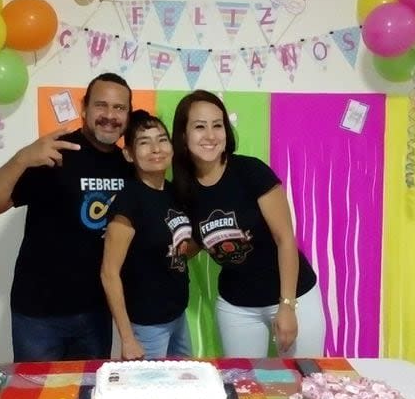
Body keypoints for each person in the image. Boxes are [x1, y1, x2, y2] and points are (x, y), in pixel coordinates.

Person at [0, 72, 132, 361]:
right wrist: (21, 158)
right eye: (101, 105)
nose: (110, 115)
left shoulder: (129, 166)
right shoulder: (54, 151)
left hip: (96, 313)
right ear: (84, 108)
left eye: (120, 108)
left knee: (87, 397)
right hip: (39, 314)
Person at [171, 90, 325, 358]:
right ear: (183, 136)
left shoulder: (250, 171)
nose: (210, 135)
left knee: (304, 382)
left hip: (293, 296)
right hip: (237, 306)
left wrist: (287, 306)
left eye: (217, 125)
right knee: (244, 386)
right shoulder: (183, 189)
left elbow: (285, 238)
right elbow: (196, 242)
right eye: (199, 126)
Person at [100, 110, 194, 360]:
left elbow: (180, 247)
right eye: (144, 142)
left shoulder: (175, 193)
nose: (156, 148)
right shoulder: (129, 200)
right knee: (150, 397)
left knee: (184, 389)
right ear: (129, 154)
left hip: (178, 317)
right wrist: (128, 338)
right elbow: (109, 274)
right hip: (146, 327)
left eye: (162, 139)